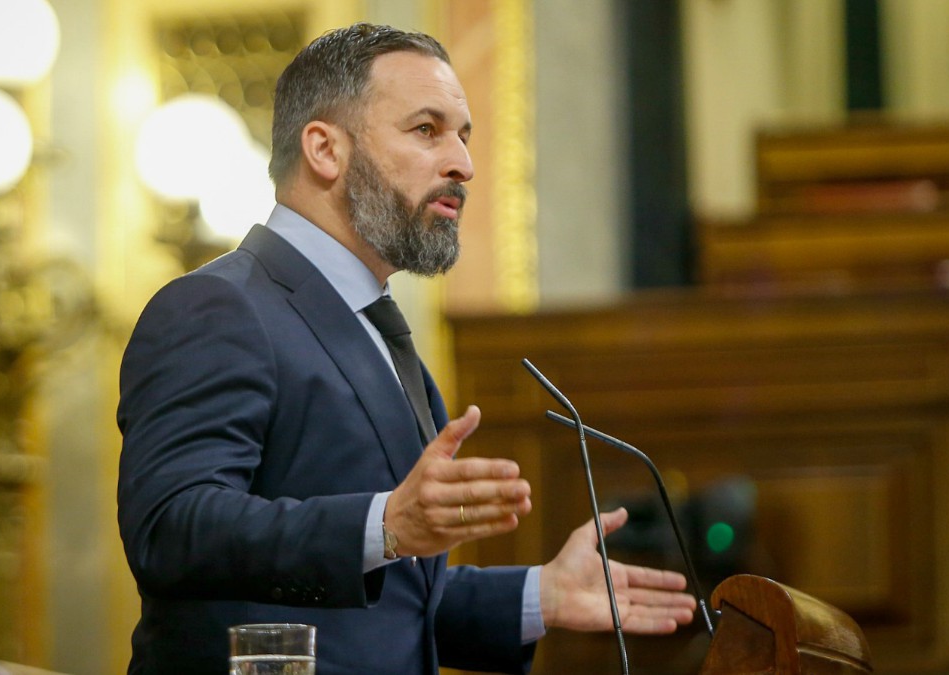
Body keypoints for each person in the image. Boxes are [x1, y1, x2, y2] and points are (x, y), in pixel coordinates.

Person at [117, 22, 697, 675]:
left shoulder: (386, 340)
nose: (463, 164)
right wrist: (383, 524)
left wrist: (542, 594)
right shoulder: (219, 305)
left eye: (465, 135)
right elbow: (171, 527)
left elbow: (387, 602)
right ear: (325, 149)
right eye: (426, 130)